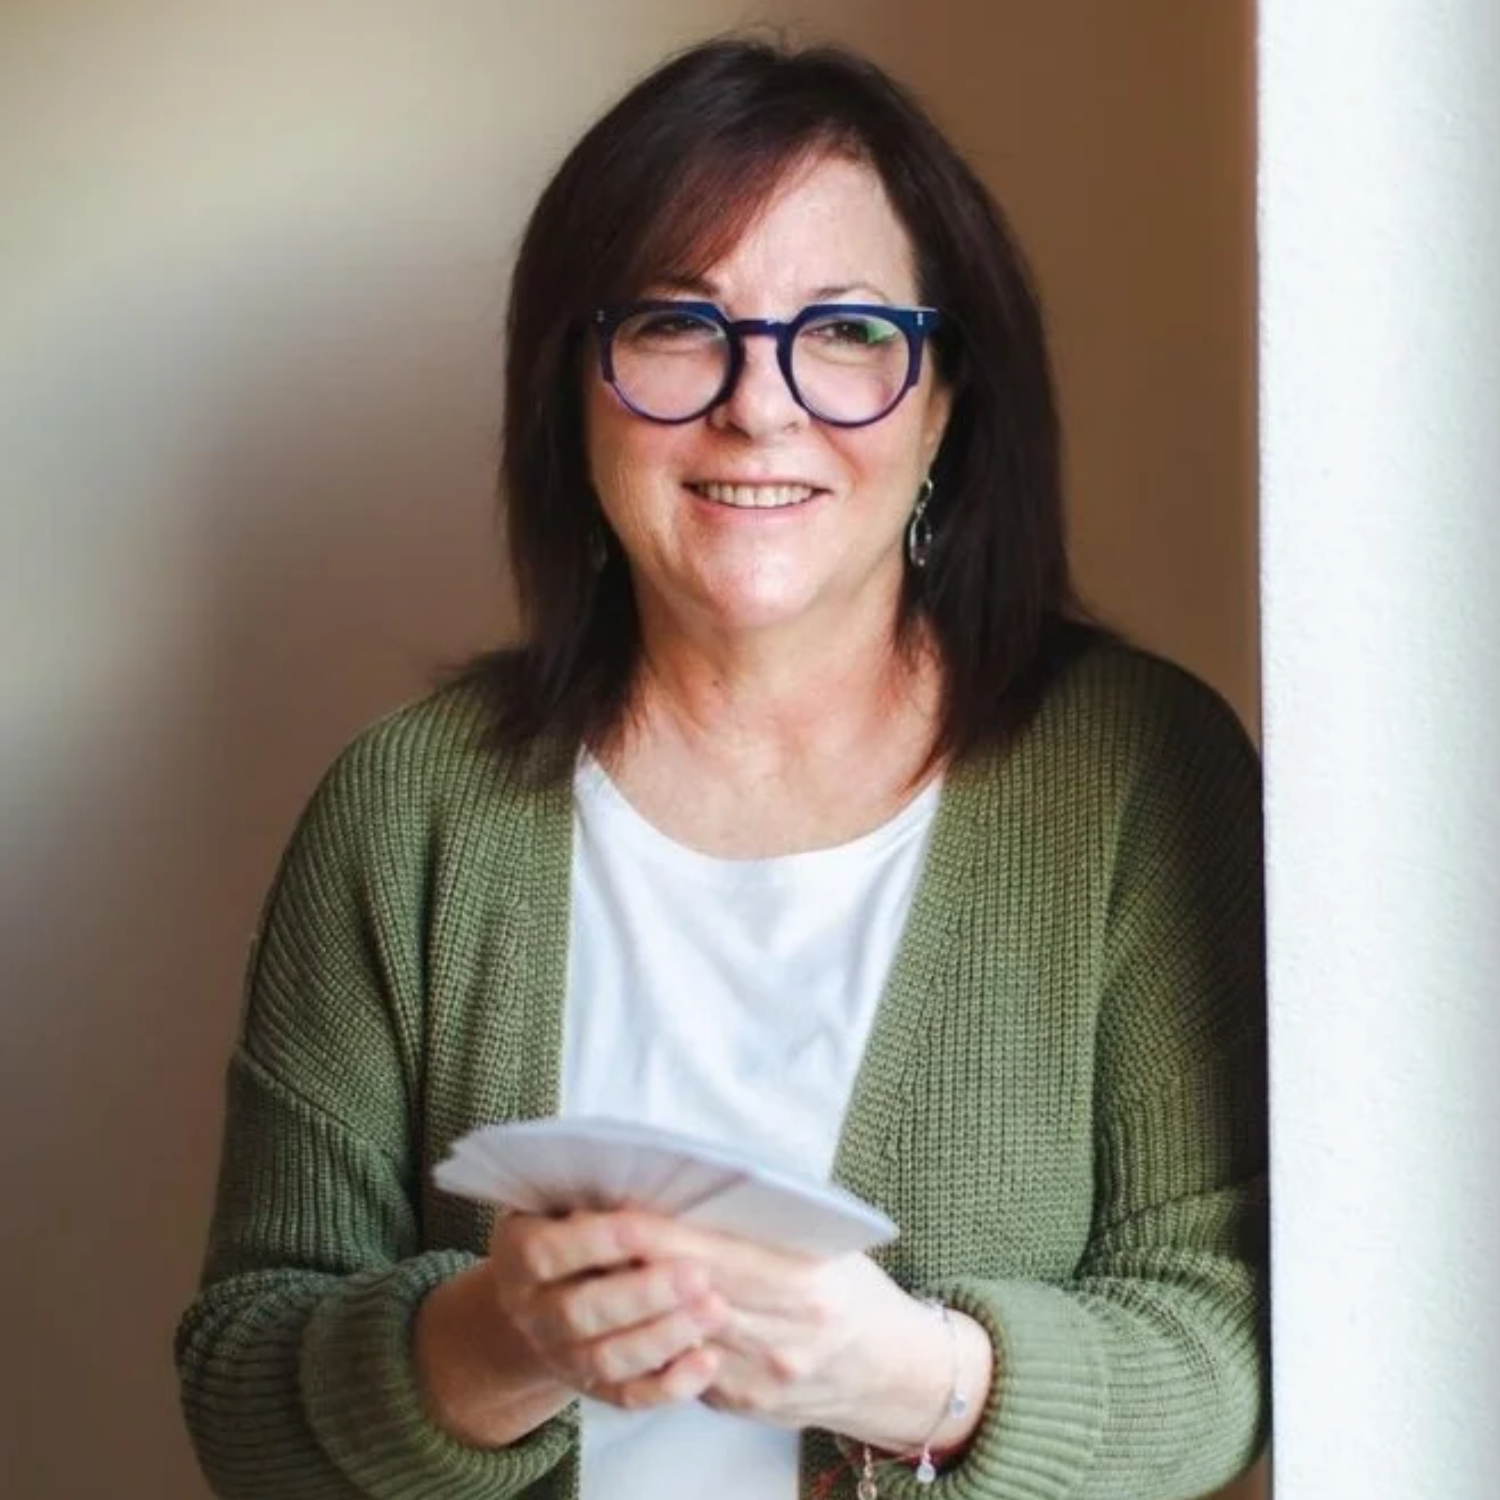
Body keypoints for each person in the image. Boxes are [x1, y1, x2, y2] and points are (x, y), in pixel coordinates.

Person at [175, 35, 1268, 1500]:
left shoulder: (1142, 774)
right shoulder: (404, 812)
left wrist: (901, 1374)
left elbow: (1228, 1357)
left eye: (849, 331)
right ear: (573, 395)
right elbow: (243, 1398)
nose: (761, 406)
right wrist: (493, 1340)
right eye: (681, 325)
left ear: (947, 399)